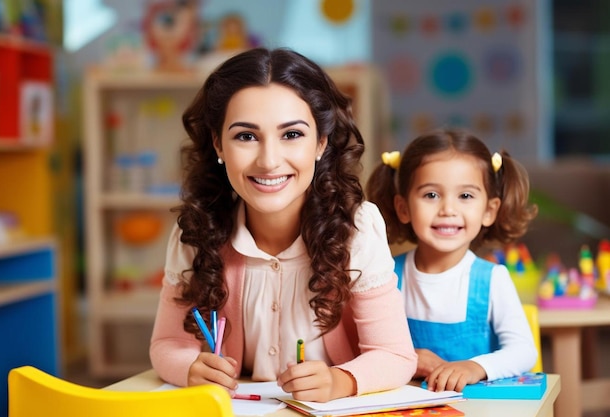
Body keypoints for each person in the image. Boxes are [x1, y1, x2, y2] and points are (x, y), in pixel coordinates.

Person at [150, 47, 417, 402]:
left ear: (321, 142)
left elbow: (395, 355)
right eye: (246, 136)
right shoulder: (196, 232)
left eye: (291, 134)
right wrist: (190, 368)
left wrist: (340, 381)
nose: (269, 160)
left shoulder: (358, 227)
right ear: (218, 144)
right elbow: (168, 344)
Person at [367, 128, 539, 393]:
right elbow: (361, 346)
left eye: (466, 196)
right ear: (403, 208)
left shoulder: (493, 279)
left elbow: (524, 352)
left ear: (489, 210)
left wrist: (474, 367)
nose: (448, 209)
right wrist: (402, 359)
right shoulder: (384, 276)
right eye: (431, 195)